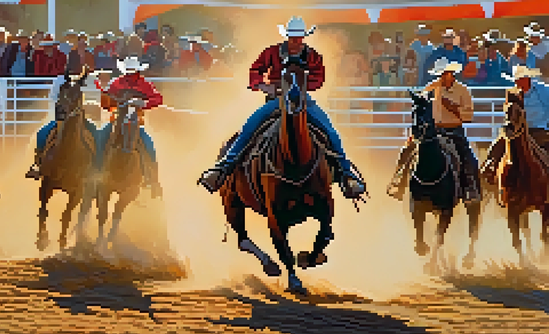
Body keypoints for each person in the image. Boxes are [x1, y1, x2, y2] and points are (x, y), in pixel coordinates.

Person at [197, 16, 365, 199]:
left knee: (331, 132)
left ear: (303, 37)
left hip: (302, 99)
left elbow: (319, 78)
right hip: (276, 99)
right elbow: (255, 71)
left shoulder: (312, 56)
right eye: (293, 38)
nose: (296, 41)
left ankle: (347, 175)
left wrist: (300, 84)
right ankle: (224, 167)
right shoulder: (272, 53)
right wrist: (263, 85)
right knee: (248, 129)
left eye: (299, 38)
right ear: (287, 37)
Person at [387, 57, 478, 202]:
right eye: (440, 74)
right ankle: (399, 183)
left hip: (454, 130)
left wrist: (452, 108)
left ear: (451, 74)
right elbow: (421, 110)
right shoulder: (431, 88)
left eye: (444, 74)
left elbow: (468, 116)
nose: (442, 77)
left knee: (469, 159)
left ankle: (470, 188)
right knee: (407, 151)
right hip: (432, 130)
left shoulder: (463, 91)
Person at [95, 56, 163, 198]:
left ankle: (152, 180)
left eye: (132, 71)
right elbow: (105, 103)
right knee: (100, 138)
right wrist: (107, 99)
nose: (130, 74)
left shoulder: (145, 84)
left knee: (149, 146)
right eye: (128, 71)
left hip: (136, 123)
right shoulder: (116, 83)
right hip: (116, 121)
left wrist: (143, 103)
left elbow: (158, 98)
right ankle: (96, 172)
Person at [482, 65, 549, 181]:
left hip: (538, 129)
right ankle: (491, 167)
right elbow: (508, 113)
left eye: (520, 80)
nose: (518, 83)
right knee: (498, 145)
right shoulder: (513, 93)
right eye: (516, 80)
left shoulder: (544, 90)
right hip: (517, 129)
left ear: (527, 79)